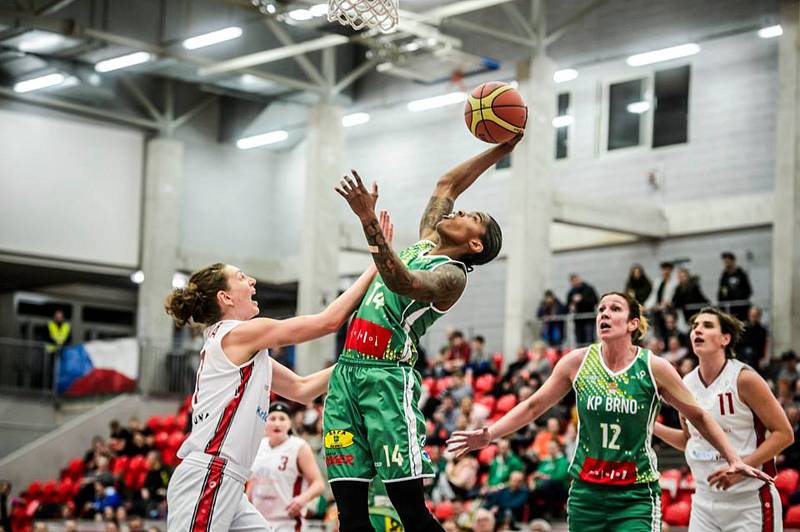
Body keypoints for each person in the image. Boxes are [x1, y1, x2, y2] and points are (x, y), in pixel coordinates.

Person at [447, 292, 772, 532]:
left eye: (614, 308)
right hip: (586, 493)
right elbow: (533, 405)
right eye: (601, 309)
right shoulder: (577, 362)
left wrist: (734, 458)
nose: (604, 313)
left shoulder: (654, 367)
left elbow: (700, 416)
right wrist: (489, 434)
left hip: (634, 495)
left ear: (632, 323)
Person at [326, 135, 520, 532]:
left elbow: (399, 280)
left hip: (387, 379)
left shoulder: (452, 277)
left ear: (474, 242)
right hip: (345, 375)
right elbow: (448, 184)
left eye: (473, 216)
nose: (460, 210)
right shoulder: (431, 236)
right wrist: (501, 149)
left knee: (411, 514)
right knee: (350, 515)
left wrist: (367, 220)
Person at [163, 214, 391, 532]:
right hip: (210, 474)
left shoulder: (244, 350)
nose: (252, 281)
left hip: (227, 479)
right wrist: (377, 264)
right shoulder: (238, 334)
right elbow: (327, 322)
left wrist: (355, 359)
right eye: (241, 277)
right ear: (225, 298)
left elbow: (301, 389)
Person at [654, 307, 793, 532]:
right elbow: (690, 440)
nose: (698, 330)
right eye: (694, 326)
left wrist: (741, 467)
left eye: (707, 326)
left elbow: (784, 434)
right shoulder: (685, 384)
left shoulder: (744, 379)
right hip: (703, 503)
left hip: (748, 501)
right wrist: (652, 427)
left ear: (725, 339)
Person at [247, 402, 324, 532]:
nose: (277, 423)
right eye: (272, 418)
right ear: (265, 422)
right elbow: (252, 482)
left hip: (287, 521)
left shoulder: (299, 447)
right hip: (258, 519)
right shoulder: (258, 445)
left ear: (289, 423)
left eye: (282, 419)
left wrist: (301, 500)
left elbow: (319, 484)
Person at [718, 252, 752, 322]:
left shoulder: (741, 274)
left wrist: (738, 297)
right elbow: (721, 291)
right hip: (729, 308)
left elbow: (748, 290)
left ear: (733, 261)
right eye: (725, 262)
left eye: (727, 261)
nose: (726, 263)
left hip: (741, 307)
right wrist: (721, 305)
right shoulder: (724, 276)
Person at [565, 274, 599, 345]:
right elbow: (568, 305)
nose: (575, 283)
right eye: (572, 281)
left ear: (579, 279)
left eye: (576, 280)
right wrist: (571, 306)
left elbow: (595, 301)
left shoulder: (589, 289)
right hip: (578, 319)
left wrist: (582, 299)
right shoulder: (571, 292)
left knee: (589, 338)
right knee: (579, 340)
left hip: (588, 318)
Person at [737, 305, 768, 371]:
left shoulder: (761, 330)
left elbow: (763, 345)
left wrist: (763, 358)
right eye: (751, 315)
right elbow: (739, 341)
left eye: (755, 315)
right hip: (742, 351)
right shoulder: (744, 327)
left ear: (758, 316)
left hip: (755, 354)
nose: (753, 317)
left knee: (749, 352)